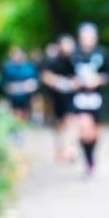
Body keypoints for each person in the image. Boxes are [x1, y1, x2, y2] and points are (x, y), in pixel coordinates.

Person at [71, 23, 109, 176]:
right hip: (80, 98)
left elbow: (108, 75)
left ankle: (91, 156)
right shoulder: (74, 54)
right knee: (84, 130)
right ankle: (87, 160)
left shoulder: (102, 53)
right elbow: (66, 75)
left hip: (98, 97)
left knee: (95, 134)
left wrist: (99, 80)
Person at [41, 34, 78, 163]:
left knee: (72, 121)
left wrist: (74, 83)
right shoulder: (52, 61)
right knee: (59, 125)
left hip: (72, 97)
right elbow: (45, 76)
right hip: (56, 98)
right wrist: (60, 82)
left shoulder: (76, 60)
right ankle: (59, 149)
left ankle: (70, 149)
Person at [0, 46, 39, 125]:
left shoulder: (30, 67)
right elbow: (4, 84)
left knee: (25, 116)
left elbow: (36, 82)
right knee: (16, 115)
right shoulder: (8, 68)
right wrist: (21, 86)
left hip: (27, 98)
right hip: (13, 98)